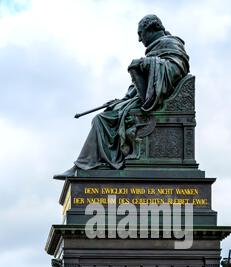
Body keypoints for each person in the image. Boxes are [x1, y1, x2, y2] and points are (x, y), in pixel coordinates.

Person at [54, 14, 190, 179]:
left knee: (102, 119)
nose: (140, 39)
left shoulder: (171, 44)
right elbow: (141, 85)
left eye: (141, 33)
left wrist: (147, 64)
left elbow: (174, 70)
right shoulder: (158, 48)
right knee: (108, 113)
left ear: (152, 29)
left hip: (158, 103)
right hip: (146, 99)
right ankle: (94, 163)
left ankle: (89, 164)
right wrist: (123, 99)